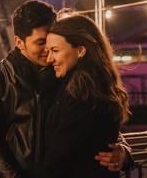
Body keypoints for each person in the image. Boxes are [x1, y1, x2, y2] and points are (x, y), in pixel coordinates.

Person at [0, 1, 127, 178]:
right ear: (19, 42)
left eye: (52, 43)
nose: (47, 51)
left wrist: (124, 152)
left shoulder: (67, 70)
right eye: (41, 42)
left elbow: (99, 122)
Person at [40, 14, 132, 178]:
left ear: (81, 50)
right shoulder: (93, 85)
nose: (49, 59)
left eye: (55, 50)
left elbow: (59, 156)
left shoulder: (83, 94)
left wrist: (125, 153)